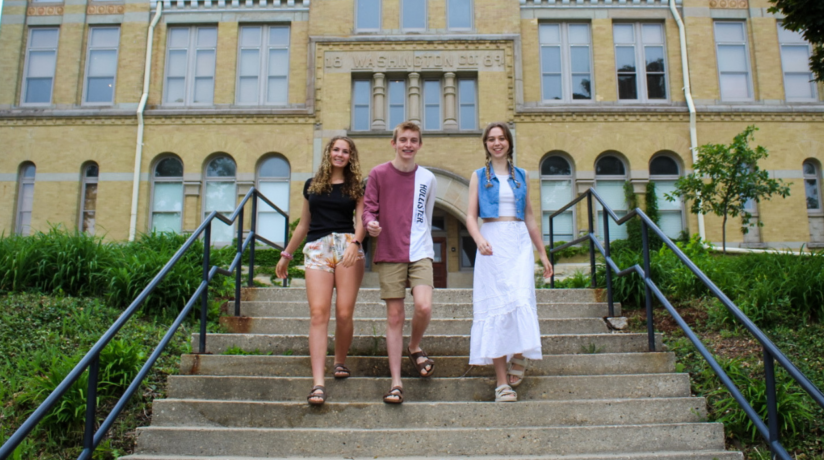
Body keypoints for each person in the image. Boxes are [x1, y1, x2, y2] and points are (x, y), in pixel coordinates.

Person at [465, 121, 553, 403]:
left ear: (509, 143)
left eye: (501, 138)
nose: (497, 143)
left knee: (520, 300)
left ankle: (519, 355)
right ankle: (501, 382)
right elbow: (469, 216)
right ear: (486, 145)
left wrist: (542, 253)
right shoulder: (478, 176)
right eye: (491, 139)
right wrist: (478, 238)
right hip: (491, 241)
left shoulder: (522, 176)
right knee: (496, 308)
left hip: (517, 243)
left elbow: (529, 217)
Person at [275, 136, 366, 406]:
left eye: (345, 151)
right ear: (329, 153)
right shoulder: (311, 185)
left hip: (348, 247)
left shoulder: (355, 186)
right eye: (336, 149)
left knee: (344, 312)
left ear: (351, 156)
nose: (340, 154)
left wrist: (356, 243)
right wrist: (286, 255)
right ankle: (318, 383)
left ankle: (339, 361)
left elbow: (361, 221)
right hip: (317, 249)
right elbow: (304, 224)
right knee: (318, 313)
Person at [363, 121, 437, 405]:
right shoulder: (378, 173)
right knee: (394, 317)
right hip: (390, 250)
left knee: (424, 305)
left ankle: (414, 346)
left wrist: (423, 242)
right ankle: (396, 382)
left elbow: (426, 216)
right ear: (393, 143)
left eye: (413, 140)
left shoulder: (428, 178)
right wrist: (371, 224)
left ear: (419, 145)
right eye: (403, 140)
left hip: (420, 250)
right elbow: (369, 208)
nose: (408, 145)